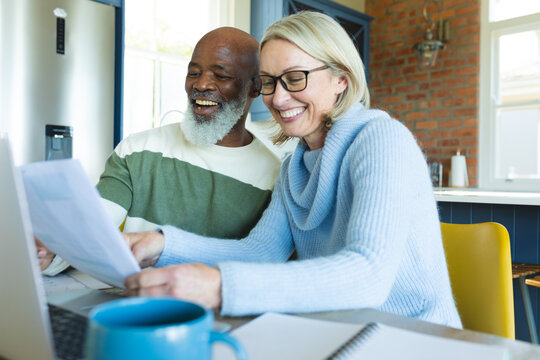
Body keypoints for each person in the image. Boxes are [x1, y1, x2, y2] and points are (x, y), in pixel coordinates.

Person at [123, 11, 462, 328]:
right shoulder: (294, 168)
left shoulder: (383, 139)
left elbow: (369, 274)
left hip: (416, 339)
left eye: (295, 78)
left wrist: (221, 285)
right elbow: (260, 253)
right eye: (269, 82)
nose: (279, 98)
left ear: (340, 80)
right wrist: (161, 245)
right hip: (342, 331)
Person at [38, 27, 282, 275]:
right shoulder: (138, 150)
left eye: (220, 76)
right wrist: (53, 250)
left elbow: (261, 262)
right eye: (193, 73)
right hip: (131, 300)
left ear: (255, 87)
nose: (201, 84)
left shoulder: (275, 178)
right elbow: (92, 226)